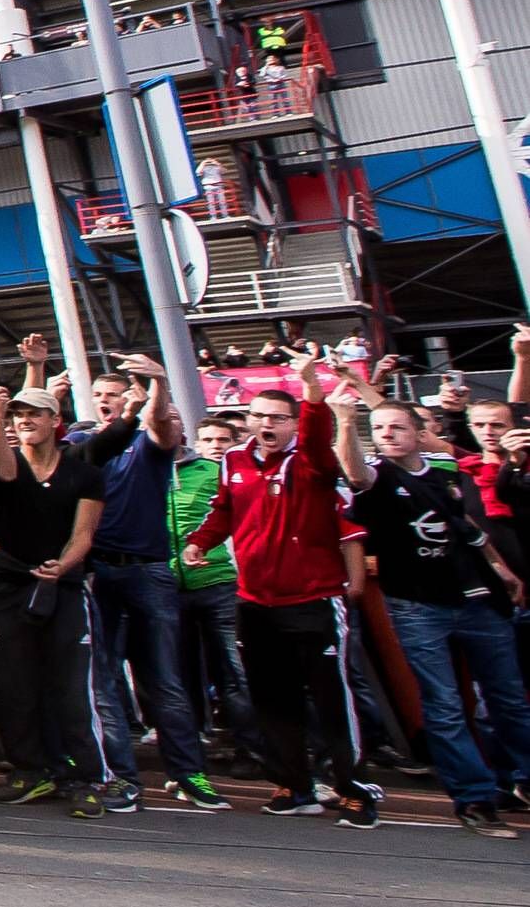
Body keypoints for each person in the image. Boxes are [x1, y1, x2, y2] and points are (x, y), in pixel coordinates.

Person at [182, 354, 381, 828]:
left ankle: (355, 788)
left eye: (277, 418)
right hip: (256, 602)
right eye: (258, 416)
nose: (266, 425)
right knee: (272, 698)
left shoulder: (310, 460)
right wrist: (200, 542)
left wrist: (312, 390)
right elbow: (224, 512)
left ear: (293, 423)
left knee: (333, 698)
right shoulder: (233, 460)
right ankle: (295, 784)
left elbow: (317, 443)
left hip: (314, 599)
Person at [344, 396, 530, 836]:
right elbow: (353, 471)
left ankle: (521, 779)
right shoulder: (376, 478)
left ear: (417, 432)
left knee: (508, 698)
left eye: (397, 428)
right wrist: (345, 420)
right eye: (381, 428)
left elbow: (466, 525)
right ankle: (475, 798)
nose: (387, 435)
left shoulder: (445, 472)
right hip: (419, 605)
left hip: (478, 600)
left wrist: (501, 568)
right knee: (444, 705)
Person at [76, 347, 212, 809]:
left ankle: (188, 773)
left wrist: (157, 382)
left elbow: (161, 424)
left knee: (164, 679)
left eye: (114, 393)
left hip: (148, 570)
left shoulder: (148, 441)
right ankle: (121, 776)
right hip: (99, 571)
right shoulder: (87, 448)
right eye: (98, 395)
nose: (107, 401)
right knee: (106, 680)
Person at [0, 375, 116, 815]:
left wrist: (64, 565)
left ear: (55, 420)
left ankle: (86, 776)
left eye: (33, 414)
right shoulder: (8, 461)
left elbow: (85, 533)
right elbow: (2, 470)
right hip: (9, 586)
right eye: (19, 415)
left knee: (70, 687)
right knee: (15, 687)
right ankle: (30, 771)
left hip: (63, 588)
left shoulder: (84, 473)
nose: (25, 421)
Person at [168, 413, 259, 787]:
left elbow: (239, 517)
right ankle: (192, 754)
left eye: (170, 420)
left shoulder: (211, 469)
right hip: (167, 587)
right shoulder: (138, 470)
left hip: (220, 582)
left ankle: (250, 749)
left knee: (234, 673)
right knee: (178, 677)